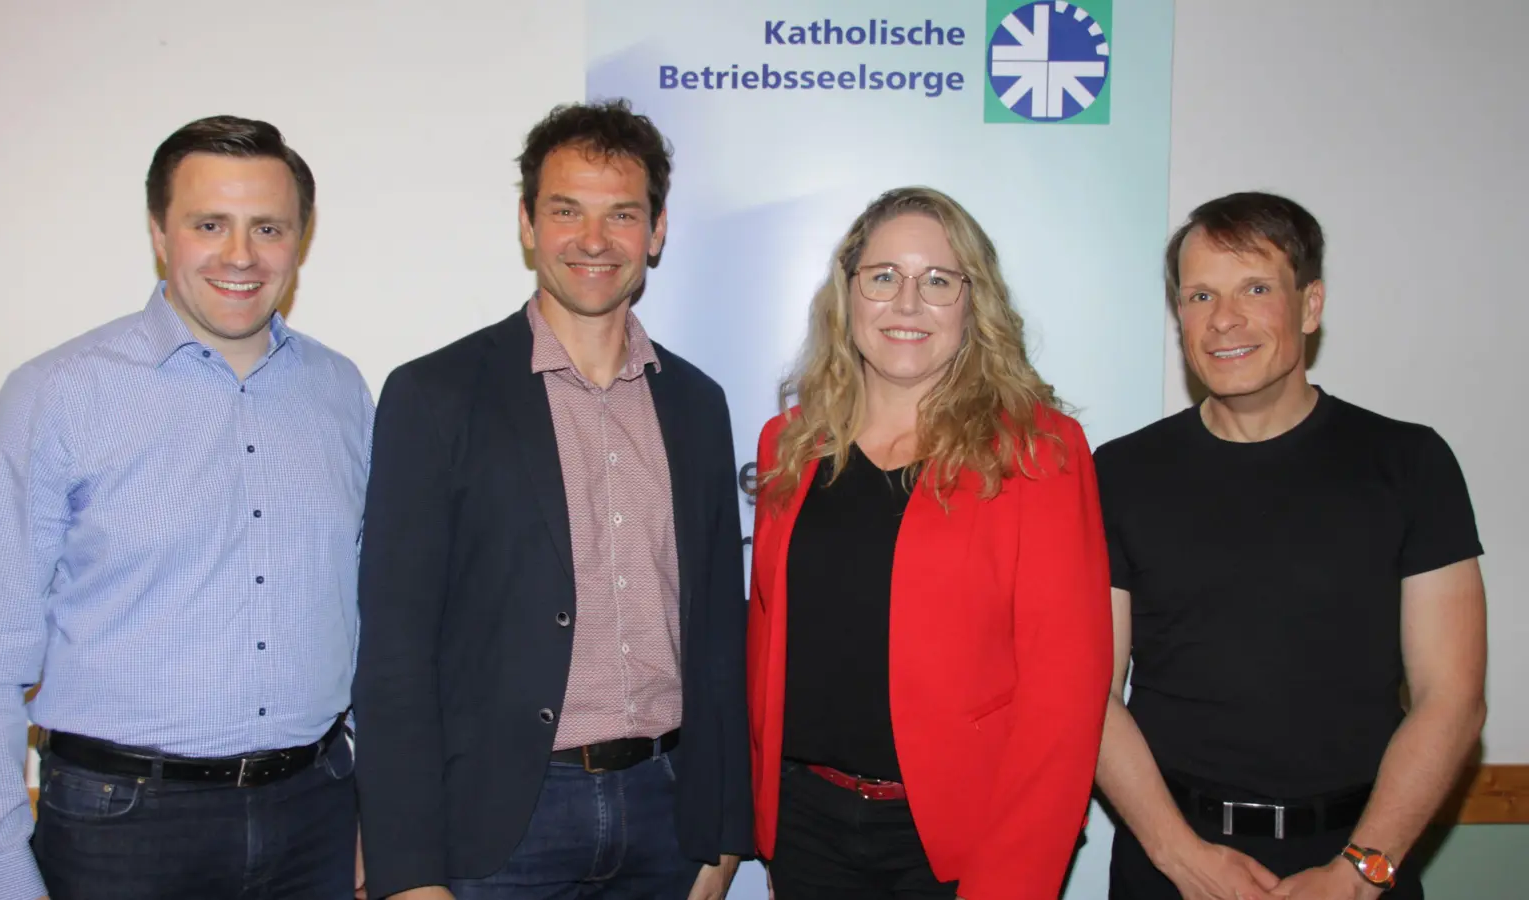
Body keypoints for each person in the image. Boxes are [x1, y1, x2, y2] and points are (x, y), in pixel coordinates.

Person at [0, 115, 373, 900]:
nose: (240, 254)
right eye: (210, 224)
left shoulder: (342, 393)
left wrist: (377, 811)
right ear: (160, 233)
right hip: (122, 828)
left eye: (267, 227)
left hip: (317, 814)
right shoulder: (58, 395)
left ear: (299, 240)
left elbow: (372, 615)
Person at [352, 99, 751, 900]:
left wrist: (725, 832)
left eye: (621, 215)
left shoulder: (697, 404)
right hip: (498, 826)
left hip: (668, 815)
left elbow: (718, 633)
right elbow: (395, 648)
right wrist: (406, 870)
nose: (593, 240)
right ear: (528, 225)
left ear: (656, 232)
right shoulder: (435, 395)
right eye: (566, 211)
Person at [1093, 192, 1487, 900]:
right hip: (1172, 866)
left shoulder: (1409, 464)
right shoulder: (1118, 474)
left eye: (1255, 289)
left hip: (1359, 857)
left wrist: (1359, 873)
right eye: (1201, 295)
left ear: (1310, 306)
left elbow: (1451, 698)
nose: (1224, 318)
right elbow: (1090, 695)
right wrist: (1181, 857)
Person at [746, 186, 1114, 900]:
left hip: (963, 841)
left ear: (973, 304)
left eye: (938, 281)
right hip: (805, 829)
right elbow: (766, 645)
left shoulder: (1040, 452)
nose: (907, 303)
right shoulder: (789, 445)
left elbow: (1066, 697)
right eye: (884, 276)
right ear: (848, 292)